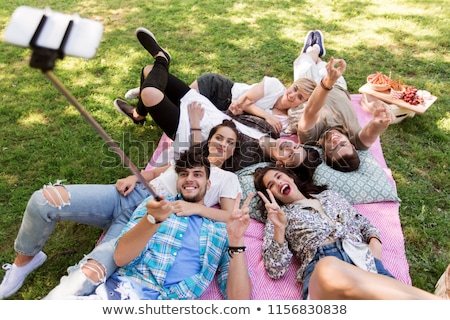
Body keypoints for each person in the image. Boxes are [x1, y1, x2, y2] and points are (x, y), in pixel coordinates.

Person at [0, 120, 242, 299]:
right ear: (210, 140)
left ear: (233, 151)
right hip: (126, 197)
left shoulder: (226, 179)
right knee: (44, 200)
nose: (223, 144)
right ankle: (25, 261)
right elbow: (156, 173)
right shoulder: (189, 159)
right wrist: (133, 177)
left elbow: (230, 216)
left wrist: (192, 207)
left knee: (89, 273)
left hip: (149, 215)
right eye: (219, 137)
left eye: (230, 142)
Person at [114, 27, 323, 172]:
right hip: (205, 107)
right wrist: (240, 109)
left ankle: (162, 58)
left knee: (150, 90)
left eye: (291, 156)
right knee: (149, 72)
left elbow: (205, 161)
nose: (291, 147)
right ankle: (138, 114)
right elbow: (235, 113)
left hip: (186, 127)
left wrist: (195, 124)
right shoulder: (271, 129)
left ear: (281, 165)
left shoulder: (251, 159)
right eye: (296, 148)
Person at [49, 150, 253, 299]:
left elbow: (239, 302)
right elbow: (120, 257)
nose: (189, 179)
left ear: (208, 185)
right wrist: (153, 220)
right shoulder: (155, 209)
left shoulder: (221, 231)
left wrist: (236, 241)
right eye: (184, 174)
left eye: (197, 174)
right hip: (122, 293)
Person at [253, 165, 441, 299]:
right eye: (270, 186)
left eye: (279, 177)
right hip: (323, 267)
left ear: (290, 177)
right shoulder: (278, 217)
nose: (278, 183)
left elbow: (361, 221)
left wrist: (374, 242)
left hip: (362, 258)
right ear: (272, 195)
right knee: (329, 267)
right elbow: (275, 269)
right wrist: (279, 228)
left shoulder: (329, 196)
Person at [289, 30, 393, 172]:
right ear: (352, 146)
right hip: (338, 85)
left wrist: (327, 82)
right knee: (323, 66)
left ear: (325, 155)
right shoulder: (356, 139)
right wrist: (378, 123)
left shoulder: (310, 139)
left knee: (304, 62)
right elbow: (371, 133)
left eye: (333, 149)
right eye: (342, 145)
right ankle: (317, 55)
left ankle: (313, 50)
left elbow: (311, 110)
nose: (336, 141)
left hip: (311, 89)